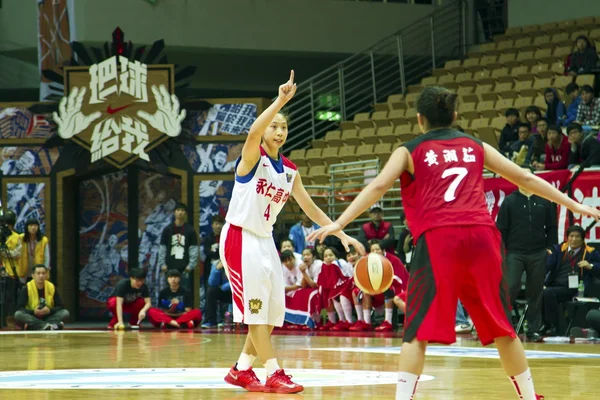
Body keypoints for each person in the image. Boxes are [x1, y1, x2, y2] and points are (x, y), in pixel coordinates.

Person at [308, 86, 600, 400]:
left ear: (420, 119)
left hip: (439, 238)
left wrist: (340, 222)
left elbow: (379, 185)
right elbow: (526, 178)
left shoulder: (409, 150)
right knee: (502, 325)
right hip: (481, 237)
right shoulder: (476, 145)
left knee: (417, 331)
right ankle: (530, 397)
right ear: (456, 116)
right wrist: (573, 204)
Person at [219, 71, 363, 394]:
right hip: (240, 237)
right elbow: (254, 131)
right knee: (256, 313)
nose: (279, 131)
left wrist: (340, 233)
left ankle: (241, 369)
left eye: (283, 126)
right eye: (275, 126)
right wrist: (280, 100)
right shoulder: (252, 158)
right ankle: (273, 371)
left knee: (271, 312)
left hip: (264, 239)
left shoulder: (291, 170)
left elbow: (310, 207)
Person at [158, 202, 199, 292]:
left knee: (185, 292)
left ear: (185, 213)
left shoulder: (190, 230)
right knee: (169, 292)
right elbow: (162, 247)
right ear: (174, 212)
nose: (180, 212)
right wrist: (162, 263)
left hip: (185, 268)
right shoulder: (167, 229)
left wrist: (190, 265)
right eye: (178, 210)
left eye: (182, 211)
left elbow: (194, 249)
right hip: (169, 267)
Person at [14, 264, 69, 330]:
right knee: (18, 314)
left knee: (65, 313)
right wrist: (33, 312)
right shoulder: (26, 288)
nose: (41, 276)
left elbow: (61, 306)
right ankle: (51, 326)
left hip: (48, 316)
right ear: (33, 275)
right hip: (33, 316)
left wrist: (49, 311)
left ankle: (38, 326)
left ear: (47, 275)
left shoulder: (51, 287)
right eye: (38, 273)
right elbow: (20, 308)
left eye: (43, 273)